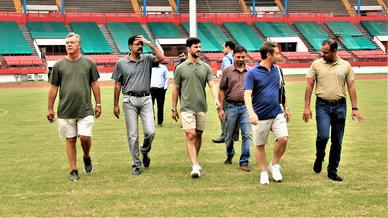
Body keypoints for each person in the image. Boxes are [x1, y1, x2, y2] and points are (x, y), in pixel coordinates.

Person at [303, 39, 364, 182]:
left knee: (337, 141)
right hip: (322, 105)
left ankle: (332, 170)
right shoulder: (316, 64)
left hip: (340, 106)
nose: (322, 54)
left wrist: (355, 108)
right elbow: (309, 86)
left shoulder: (345, 65)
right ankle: (319, 156)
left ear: (335, 51)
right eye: (322, 51)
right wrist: (307, 107)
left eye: (326, 52)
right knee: (323, 136)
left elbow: (351, 87)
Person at [47, 32, 101, 182]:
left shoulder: (89, 63)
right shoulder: (58, 65)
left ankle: (86, 156)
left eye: (72, 42)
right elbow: (53, 88)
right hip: (65, 110)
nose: (69, 45)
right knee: (70, 140)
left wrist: (98, 104)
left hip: (85, 109)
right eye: (67, 43)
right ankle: (74, 170)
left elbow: (95, 84)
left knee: (84, 137)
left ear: (79, 44)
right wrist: (50, 108)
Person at [112, 35, 165, 176]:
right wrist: (115, 104)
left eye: (141, 44)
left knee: (150, 132)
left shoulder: (147, 58)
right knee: (133, 135)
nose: (140, 46)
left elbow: (162, 58)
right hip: (129, 100)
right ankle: (136, 164)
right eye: (137, 44)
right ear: (130, 46)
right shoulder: (121, 63)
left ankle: (145, 150)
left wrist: (149, 43)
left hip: (146, 98)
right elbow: (117, 84)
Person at [172, 37, 220, 178]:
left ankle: (195, 160)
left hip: (201, 107)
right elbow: (176, 88)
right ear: (188, 49)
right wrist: (174, 107)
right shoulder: (180, 68)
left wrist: (216, 100)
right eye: (196, 47)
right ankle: (194, 166)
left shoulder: (206, 67)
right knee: (191, 134)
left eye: (199, 47)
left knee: (199, 135)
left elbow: (212, 84)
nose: (199, 49)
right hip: (186, 107)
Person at [244, 41, 291, 185]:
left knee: (283, 138)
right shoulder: (252, 73)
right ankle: (263, 172)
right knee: (260, 145)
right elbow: (247, 95)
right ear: (269, 55)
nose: (279, 55)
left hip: (277, 112)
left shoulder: (278, 70)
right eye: (277, 53)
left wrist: (286, 107)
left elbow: (281, 90)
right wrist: (251, 113)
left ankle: (274, 164)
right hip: (260, 116)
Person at [218, 45, 252, 172]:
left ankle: (244, 161)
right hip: (230, 106)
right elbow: (221, 89)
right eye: (238, 56)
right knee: (228, 135)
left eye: (243, 56)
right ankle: (230, 153)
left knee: (247, 134)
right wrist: (220, 108)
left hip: (246, 107)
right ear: (233, 57)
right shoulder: (227, 71)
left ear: (246, 56)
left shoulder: (251, 71)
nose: (241, 59)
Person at [213, 40, 238, 143]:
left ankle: (224, 134)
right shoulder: (237, 57)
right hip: (237, 87)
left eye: (223, 47)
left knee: (222, 109)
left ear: (228, 47)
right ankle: (235, 135)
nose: (222, 49)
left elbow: (228, 71)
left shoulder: (227, 59)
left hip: (227, 88)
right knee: (237, 109)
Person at [150, 62, 169, 127]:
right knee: (149, 107)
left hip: (161, 89)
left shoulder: (163, 68)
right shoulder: (149, 67)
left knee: (160, 106)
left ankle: (160, 122)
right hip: (150, 89)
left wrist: (165, 88)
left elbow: (167, 78)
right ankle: (151, 120)